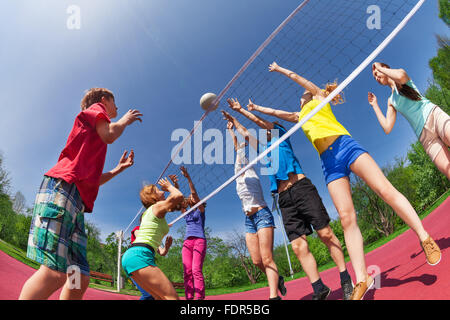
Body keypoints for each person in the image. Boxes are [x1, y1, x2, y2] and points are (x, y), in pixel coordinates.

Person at [245, 61, 441, 299]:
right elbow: (275, 114)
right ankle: (362, 279)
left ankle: (424, 237)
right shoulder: (299, 116)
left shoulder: (318, 98)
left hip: (345, 146)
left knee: (384, 190)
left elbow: (297, 75)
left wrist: (279, 69)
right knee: (347, 218)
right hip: (328, 163)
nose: (300, 96)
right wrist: (254, 108)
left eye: (303, 94)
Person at [19, 88, 142, 300]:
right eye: (115, 103)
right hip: (62, 190)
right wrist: (125, 119)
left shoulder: (93, 138)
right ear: (104, 100)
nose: (118, 108)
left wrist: (118, 169)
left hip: (77, 202)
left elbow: (93, 180)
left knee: (79, 276)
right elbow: (110, 134)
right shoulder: (96, 109)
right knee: (54, 272)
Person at [223, 104, 353, 301]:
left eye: (266, 127)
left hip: (301, 188)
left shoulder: (280, 135)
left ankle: (345, 278)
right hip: (283, 199)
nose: (262, 130)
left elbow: (259, 121)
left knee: (325, 233)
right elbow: (245, 133)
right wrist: (234, 122)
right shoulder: (263, 149)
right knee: (298, 247)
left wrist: (241, 110)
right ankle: (319, 288)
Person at [224, 118, 287, 300]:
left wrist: (234, 130)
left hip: (262, 214)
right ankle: (278, 278)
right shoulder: (236, 176)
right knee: (256, 261)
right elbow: (236, 149)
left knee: (267, 258)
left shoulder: (249, 170)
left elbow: (239, 149)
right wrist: (230, 131)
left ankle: (273, 297)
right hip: (248, 220)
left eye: (242, 155)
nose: (240, 158)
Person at [369, 62, 450, 179]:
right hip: (426, 137)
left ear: (385, 68)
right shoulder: (391, 100)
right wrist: (375, 105)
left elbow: (401, 76)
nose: (376, 78)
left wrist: (380, 68)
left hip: (433, 116)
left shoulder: (401, 76)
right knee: (448, 170)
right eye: (374, 77)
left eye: (376, 73)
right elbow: (387, 127)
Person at [121, 178, 184, 300]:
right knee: (172, 298)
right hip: (140, 255)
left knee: (159, 298)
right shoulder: (157, 207)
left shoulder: (152, 212)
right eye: (158, 190)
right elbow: (178, 196)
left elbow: (175, 204)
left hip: (134, 256)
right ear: (153, 197)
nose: (162, 191)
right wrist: (169, 186)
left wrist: (166, 247)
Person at [170, 166, 208, 301]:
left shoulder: (200, 210)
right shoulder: (186, 212)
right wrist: (175, 184)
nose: (191, 196)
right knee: (187, 271)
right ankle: (189, 297)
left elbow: (195, 193)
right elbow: (178, 198)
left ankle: (199, 297)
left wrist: (188, 177)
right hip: (187, 242)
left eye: (193, 197)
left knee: (196, 270)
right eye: (190, 196)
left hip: (199, 241)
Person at [129, 226, 173, 300]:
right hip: (135, 262)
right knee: (149, 295)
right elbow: (140, 236)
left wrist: (166, 247)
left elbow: (162, 252)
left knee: (156, 295)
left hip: (146, 265)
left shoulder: (153, 239)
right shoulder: (138, 228)